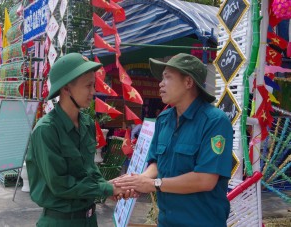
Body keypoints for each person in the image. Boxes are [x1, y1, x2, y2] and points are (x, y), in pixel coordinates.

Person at [114, 53, 233, 227]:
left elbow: (205, 180)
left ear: (188, 82)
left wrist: (152, 184)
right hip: (166, 221)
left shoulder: (214, 121)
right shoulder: (164, 119)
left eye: (167, 77)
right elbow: (156, 163)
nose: (161, 84)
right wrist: (138, 181)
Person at [26, 53, 126, 227]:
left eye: (93, 85)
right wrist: (106, 188)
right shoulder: (46, 130)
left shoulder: (86, 122)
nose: (93, 92)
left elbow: (89, 168)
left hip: (88, 219)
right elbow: (61, 184)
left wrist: (107, 186)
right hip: (60, 222)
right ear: (66, 88)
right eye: (88, 86)